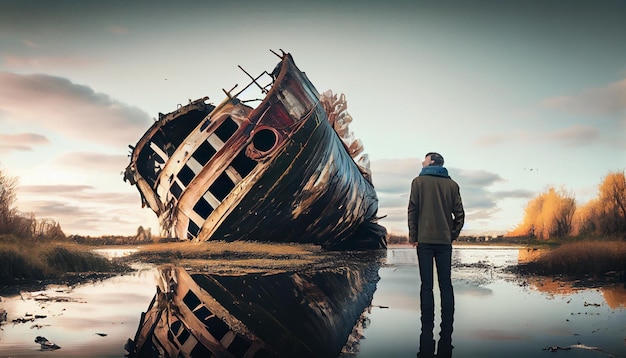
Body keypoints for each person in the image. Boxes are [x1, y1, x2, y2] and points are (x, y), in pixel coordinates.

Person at [408, 152, 464, 358]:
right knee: (446, 284)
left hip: (424, 240)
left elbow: (412, 210)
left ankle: (427, 325)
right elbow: (460, 214)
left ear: (431, 161)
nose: (422, 162)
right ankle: (447, 323)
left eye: (424, 159)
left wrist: (413, 235)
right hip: (443, 242)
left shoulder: (418, 181)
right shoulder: (452, 185)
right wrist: (452, 235)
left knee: (426, 285)